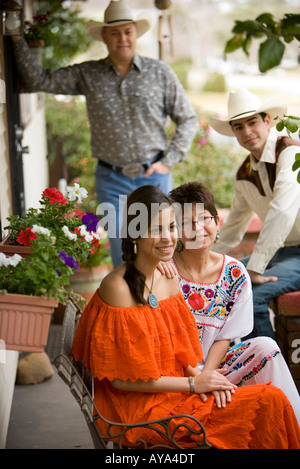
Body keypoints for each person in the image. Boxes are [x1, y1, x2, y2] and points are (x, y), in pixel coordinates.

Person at [72, 184, 300, 449]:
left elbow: (180, 350)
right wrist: (194, 383)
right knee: (267, 403)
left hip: (178, 392)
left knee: (271, 398)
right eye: (157, 229)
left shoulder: (167, 279)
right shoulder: (118, 287)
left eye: (171, 227)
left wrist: (207, 380)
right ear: (133, 234)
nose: (168, 238)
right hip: (140, 410)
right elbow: (120, 379)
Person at [11, 0, 198, 268]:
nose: (122, 38)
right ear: (104, 37)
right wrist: (15, 35)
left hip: (155, 176)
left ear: (135, 33)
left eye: (127, 31)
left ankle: (158, 306)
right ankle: (128, 307)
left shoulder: (160, 73)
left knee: (162, 246)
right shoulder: (89, 74)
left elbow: (188, 119)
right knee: (122, 253)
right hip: (112, 180)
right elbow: (38, 80)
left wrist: (168, 160)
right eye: (115, 32)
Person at [168, 181, 300, 423]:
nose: (198, 228)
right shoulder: (165, 271)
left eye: (204, 218)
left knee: (265, 346)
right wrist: (197, 381)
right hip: (175, 376)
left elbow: (224, 338)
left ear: (217, 222)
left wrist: (208, 377)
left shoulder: (235, 273)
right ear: (174, 230)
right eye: (186, 222)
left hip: (215, 367)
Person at [209, 87, 300, 339]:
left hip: (297, 256)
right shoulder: (245, 173)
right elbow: (232, 230)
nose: (247, 132)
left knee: (250, 296)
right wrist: (202, 262)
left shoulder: (290, 152)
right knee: (225, 279)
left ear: (267, 121)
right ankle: (231, 361)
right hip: (284, 252)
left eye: (252, 122)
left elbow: (282, 211)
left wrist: (257, 267)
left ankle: (269, 371)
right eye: (238, 127)